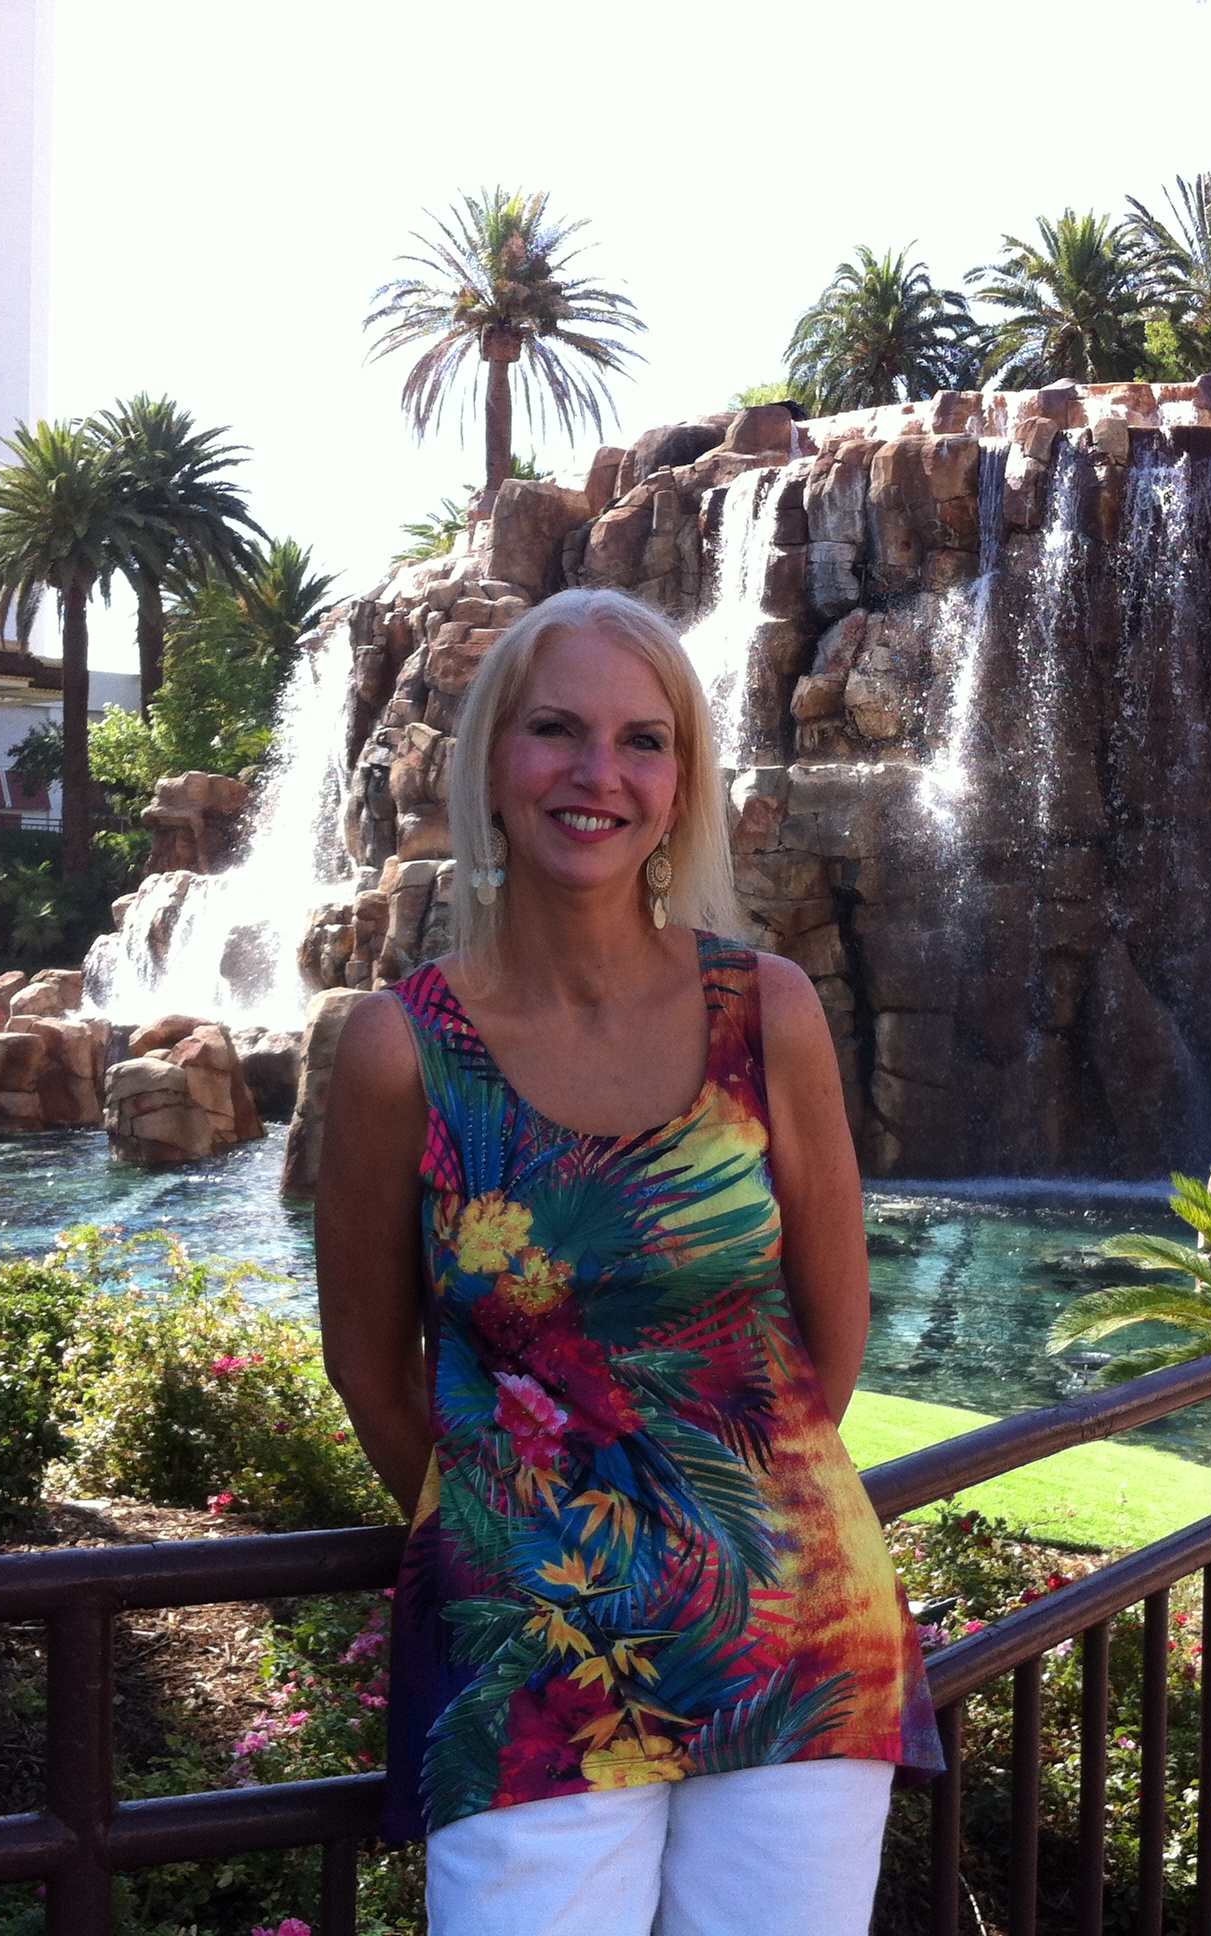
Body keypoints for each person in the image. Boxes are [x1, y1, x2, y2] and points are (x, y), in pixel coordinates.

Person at [316, 588, 940, 1935]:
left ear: (680, 788)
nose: (598, 773)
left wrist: (714, 1519)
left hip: (793, 1626)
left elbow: (831, 1344)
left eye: (642, 741)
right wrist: (508, 1532)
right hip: (530, 1649)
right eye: (557, 730)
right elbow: (366, 1365)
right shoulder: (397, 1050)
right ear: (494, 762)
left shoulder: (767, 1011)